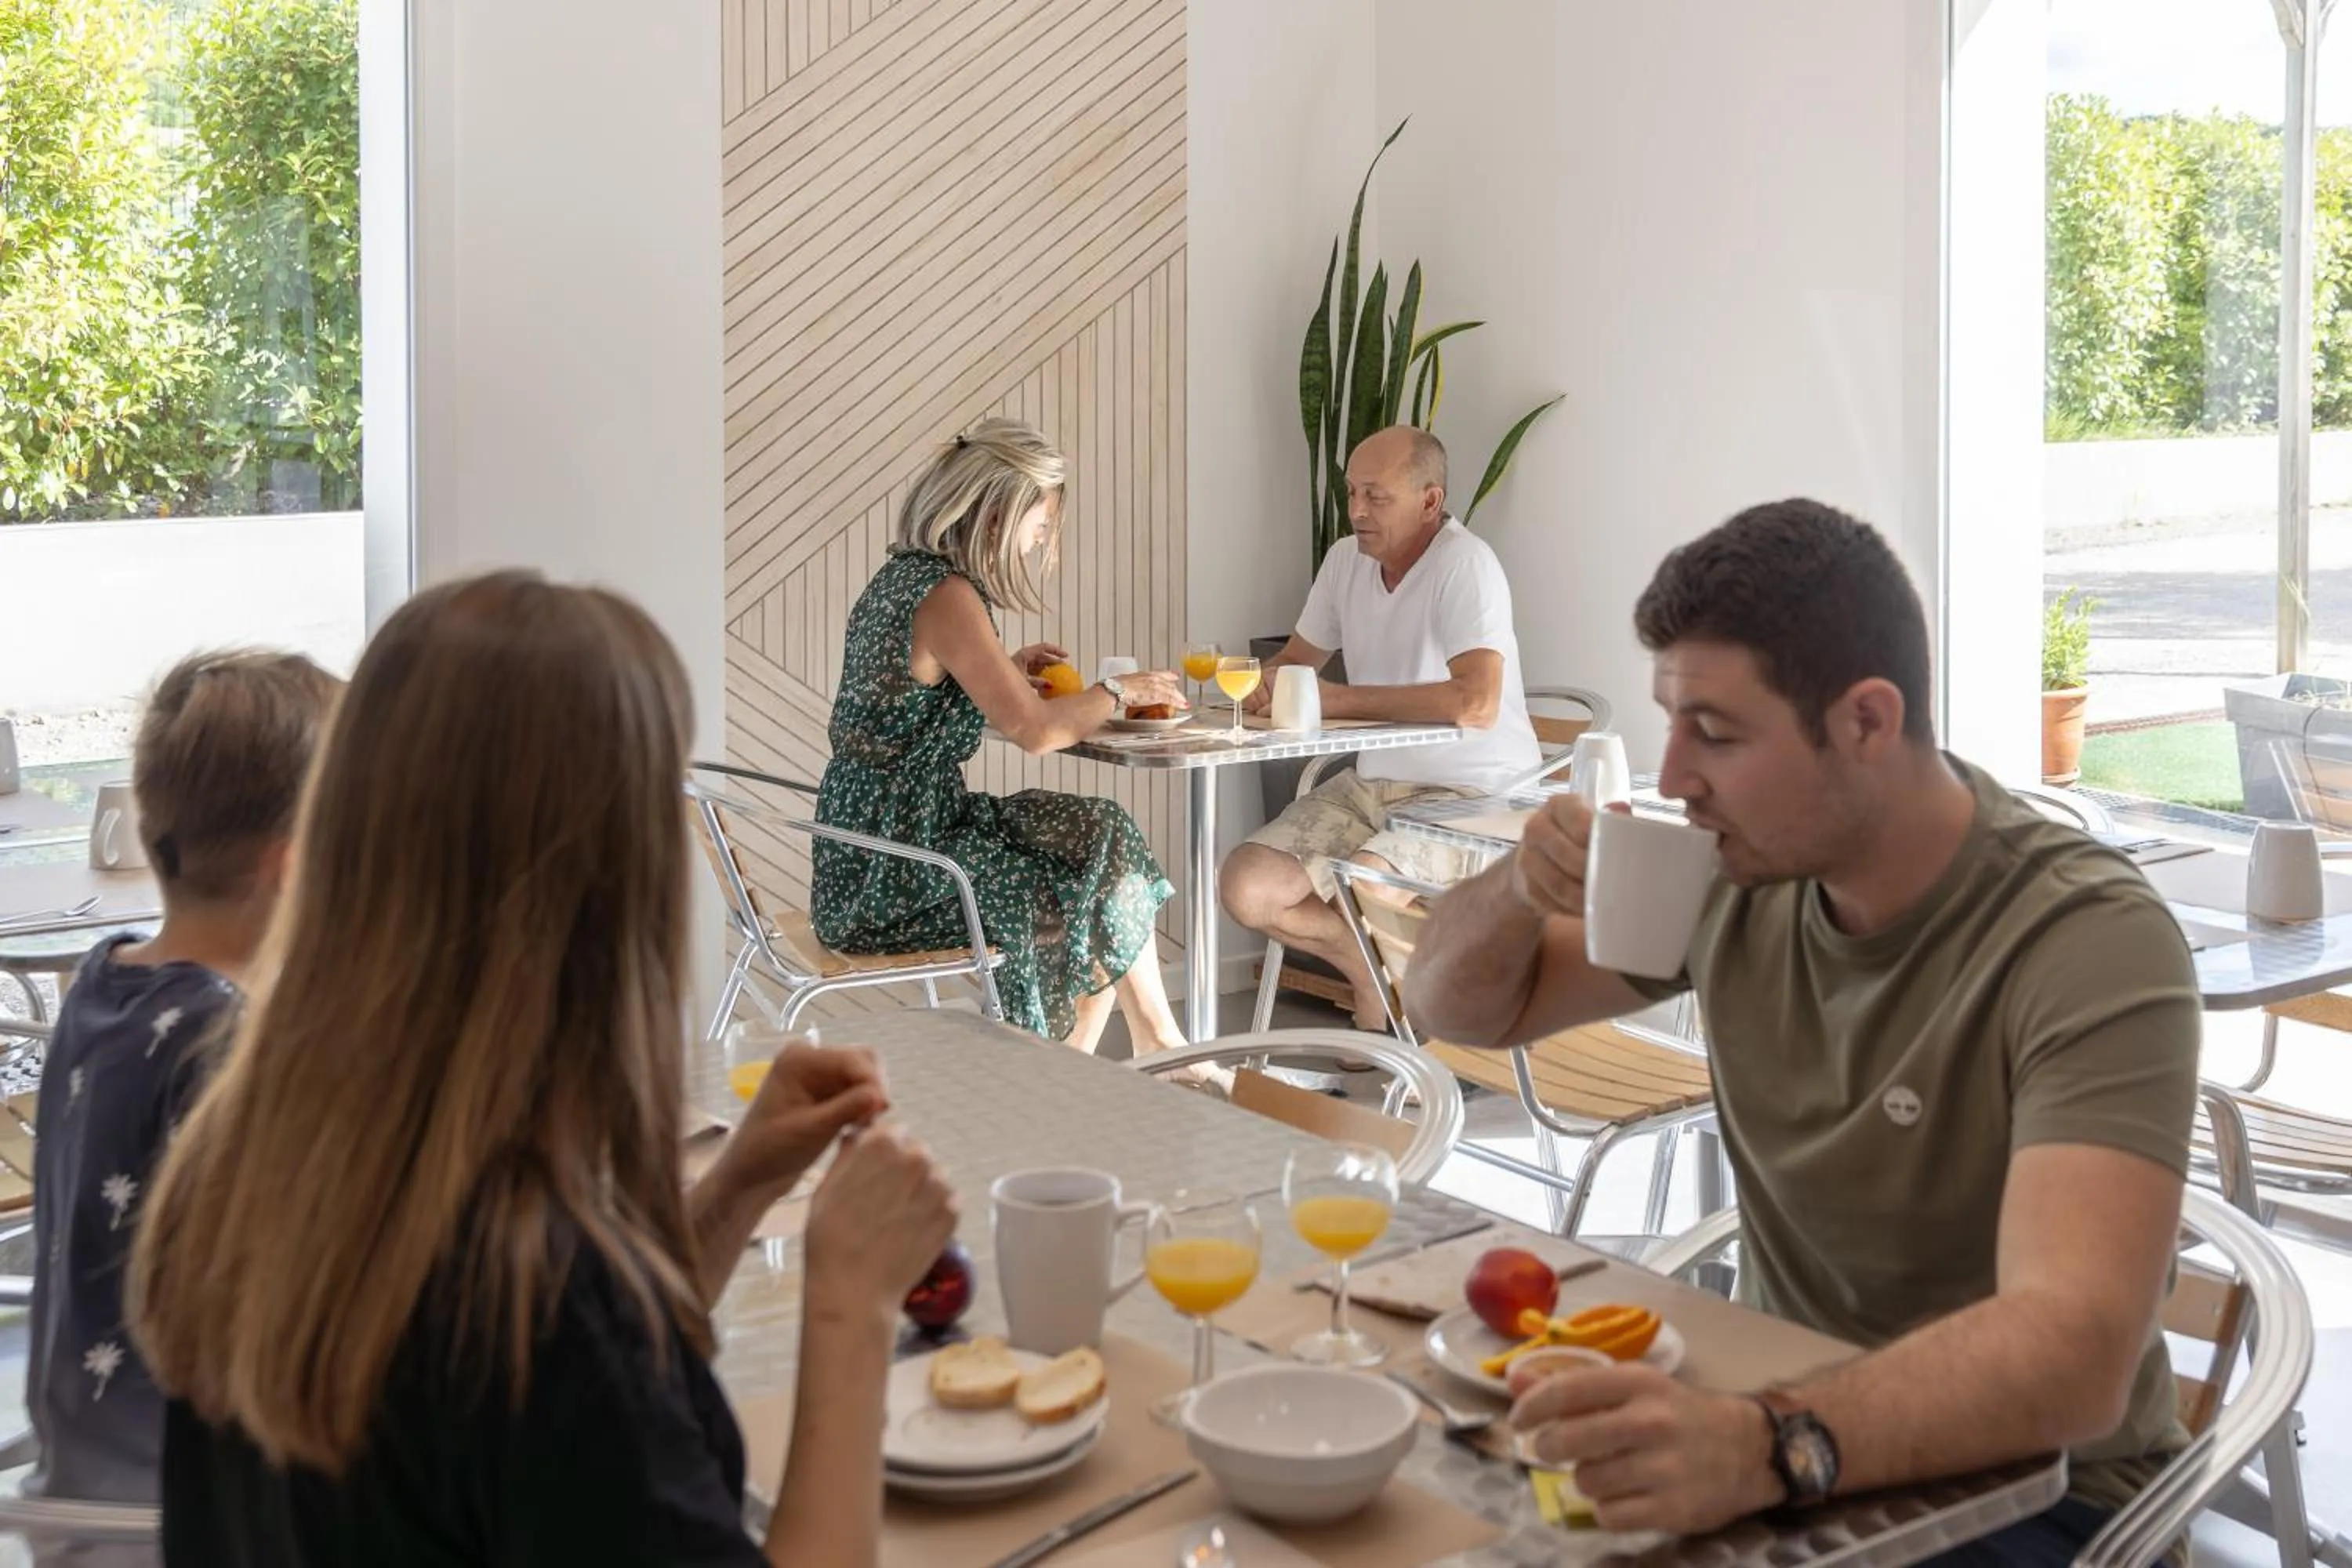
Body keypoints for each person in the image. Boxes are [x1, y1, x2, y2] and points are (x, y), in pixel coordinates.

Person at [1403, 499, 2199, 1562]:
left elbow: (2074, 1354)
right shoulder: (1737, 871)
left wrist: (1762, 1447)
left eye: (1716, 734)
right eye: (1672, 721)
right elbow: (1457, 1008)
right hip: (1780, 1421)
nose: (1675, 774)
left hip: (2044, 1500)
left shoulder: (2083, 939)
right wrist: (1515, 885)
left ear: (1867, 722)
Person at [129, 572, 960, 1567]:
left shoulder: (247, 1154)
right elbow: (579, 1374)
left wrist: (738, 1181)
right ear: (604, 884)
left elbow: (565, 1425)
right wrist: (851, 1309)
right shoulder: (537, 1304)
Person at [24, 651, 341, 1507]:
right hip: (174, 1518)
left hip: (78, 1482)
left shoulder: (105, 980)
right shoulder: (224, 1038)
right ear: (293, 866)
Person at [813, 417, 1192, 1057]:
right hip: (896, 864)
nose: (1033, 545)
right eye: (1036, 528)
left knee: (1100, 835)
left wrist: (1002, 671)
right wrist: (1122, 690)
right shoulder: (947, 595)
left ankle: (1144, 1050)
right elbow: (1037, 732)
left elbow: (913, 698)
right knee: (1085, 886)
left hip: (885, 837)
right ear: (995, 516)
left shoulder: (906, 579)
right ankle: (1105, 1064)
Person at [1219, 424, 1541, 1029]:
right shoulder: (1346, 561)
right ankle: (1371, 975)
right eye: (1350, 493)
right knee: (1247, 885)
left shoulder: (1465, 566)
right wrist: (1236, 684)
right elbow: (1294, 664)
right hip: (1373, 790)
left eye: (1376, 496)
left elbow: (1477, 703)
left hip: (1476, 797)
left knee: (1366, 884)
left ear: (1429, 501)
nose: (1357, 511)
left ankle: (1434, 1028)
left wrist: (1335, 701)